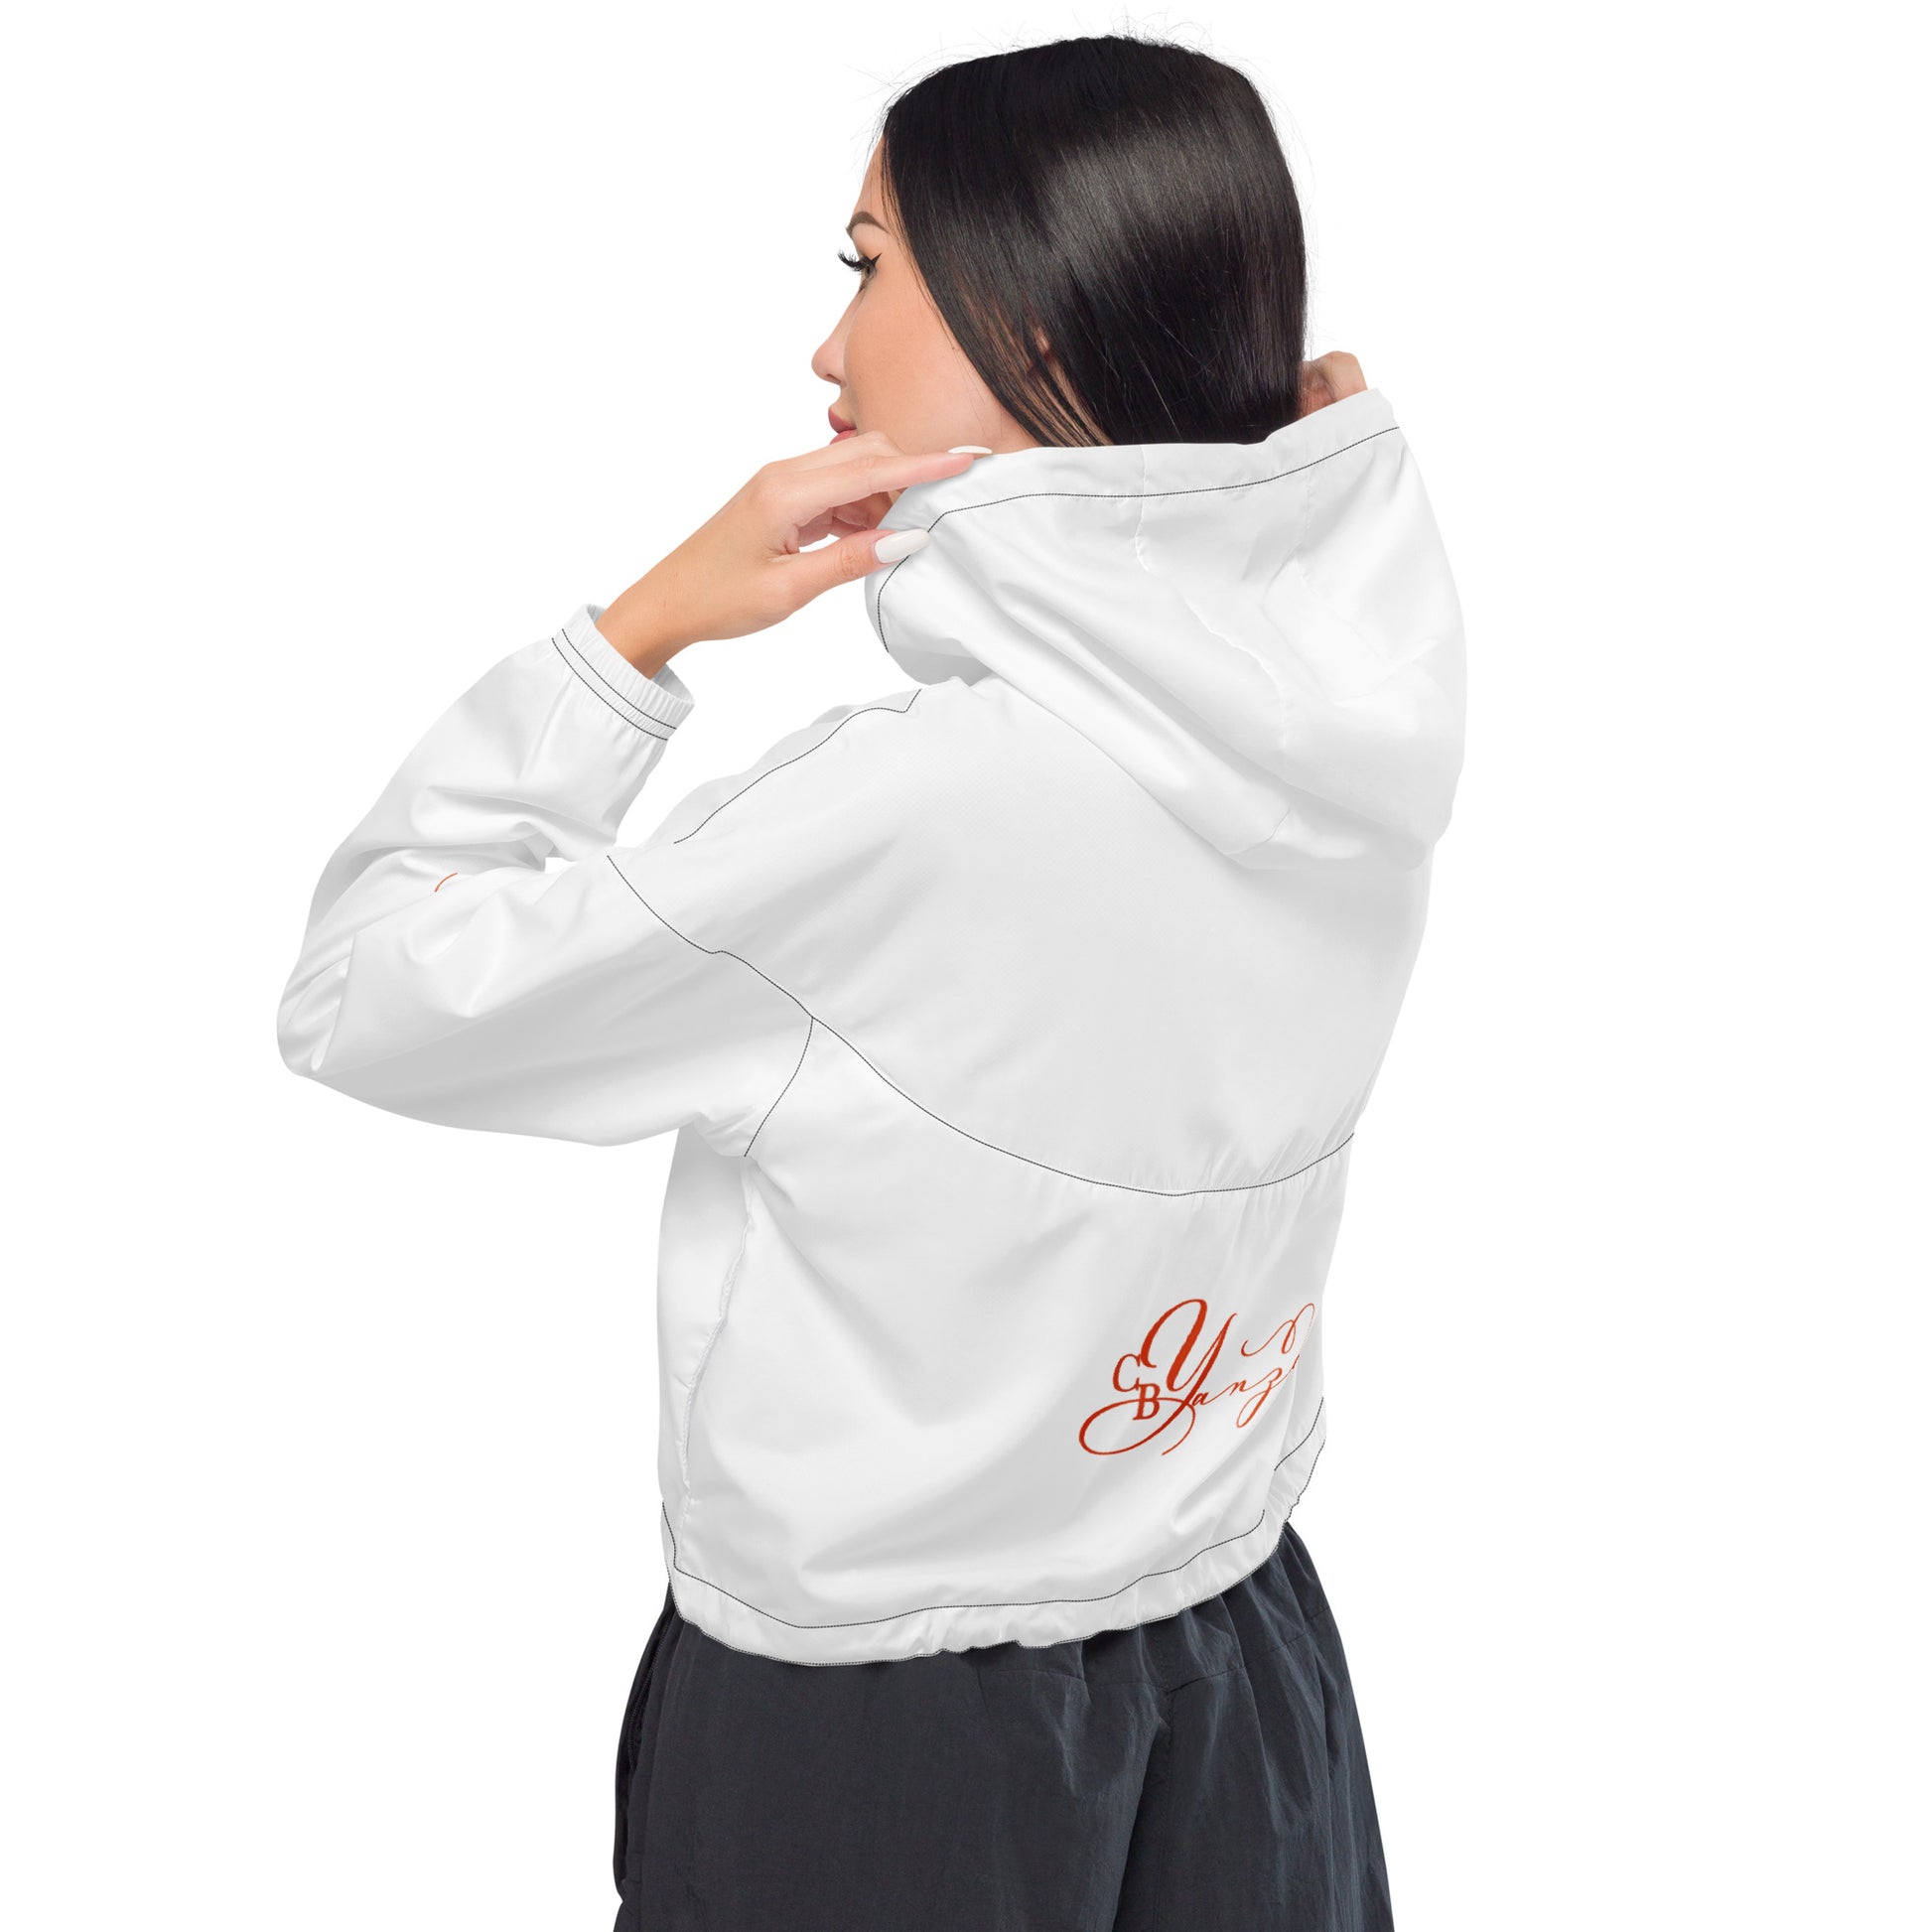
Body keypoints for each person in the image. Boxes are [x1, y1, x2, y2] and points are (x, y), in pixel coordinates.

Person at [275, 32, 1465, 1932]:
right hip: (1242, 1647)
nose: (826, 348)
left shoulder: (912, 811)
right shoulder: (1354, 729)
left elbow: (366, 989)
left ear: (1033, 310)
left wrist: (641, 626)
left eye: (866, 263)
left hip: (884, 1728)